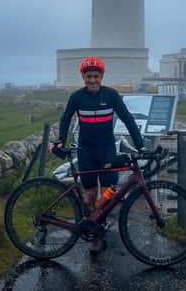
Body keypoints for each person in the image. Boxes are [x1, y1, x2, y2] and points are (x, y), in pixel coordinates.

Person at [50, 56, 145, 256]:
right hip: (86, 151)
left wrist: (139, 144)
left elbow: (127, 118)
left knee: (110, 188)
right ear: (83, 77)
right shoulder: (77, 97)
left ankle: (96, 217)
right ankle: (95, 233)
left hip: (107, 149)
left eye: (96, 76)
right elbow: (66, 118)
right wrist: (61, 140)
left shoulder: (111, 95)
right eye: (88, 76)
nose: (92, 80)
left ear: (101, 76)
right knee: (90, 191)